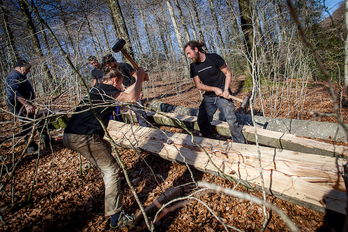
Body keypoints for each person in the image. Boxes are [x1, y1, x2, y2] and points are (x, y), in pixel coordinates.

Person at [63, 66, 147, 229]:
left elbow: (127, 93)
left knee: (105, 146)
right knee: (112, 170)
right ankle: (116, 217)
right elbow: (131, 98)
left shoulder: (98, 88)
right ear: (115, 80)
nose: (120, 88)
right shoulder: (106, 89)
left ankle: (114, 186)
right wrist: (139, 79)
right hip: (83, 137)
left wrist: (139, 81)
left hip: (71, 135)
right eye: (120, 84)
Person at [184, 41, 245, 143]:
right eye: (187, 54)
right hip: (209, 96)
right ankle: (211, 143)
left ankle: (241, 146)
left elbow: (227, 73)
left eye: (189, 53)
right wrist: (214, 89)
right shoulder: (193, 66)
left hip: (223, 94)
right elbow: (198, 85)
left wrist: (226, 89)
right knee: (202, 121)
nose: (189, 56)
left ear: (196, 49)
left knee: (232, 121)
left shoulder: (214, 58)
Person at [5, 59, 53, 154]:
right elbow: (15, 92)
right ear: (19, 67)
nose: (29, 71)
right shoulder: (14, 76)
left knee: (39, 120)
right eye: (27, 69)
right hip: (18, 105)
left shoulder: (21, 76)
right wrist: (26, 104)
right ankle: (31, 147)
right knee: (27, 125)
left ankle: (47, 141)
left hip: (26, 103)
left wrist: (30, 103)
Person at [102, 54, 150, 127]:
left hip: (134, 91)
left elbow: (136, 75)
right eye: (107, 66)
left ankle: (146, 127)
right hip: (125, 92)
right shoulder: (113, 71)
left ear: (114, 61)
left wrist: (139, 90)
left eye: (110, 64)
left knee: (139, 111)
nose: (110, 67)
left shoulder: (124, 66)